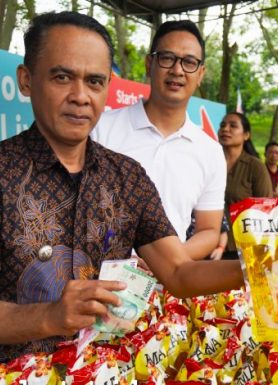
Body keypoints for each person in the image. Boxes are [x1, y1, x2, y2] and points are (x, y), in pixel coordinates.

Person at [0, 12, 278, 377]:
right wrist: (51, 316)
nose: (80, 96)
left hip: (103, 371)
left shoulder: (126, 177)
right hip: (6, 374)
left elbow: (179, 272)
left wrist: (265, 266)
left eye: (95, 81)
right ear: (26, 79)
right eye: (62, 77)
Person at [91, 20, 225, 261]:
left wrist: (166, 262)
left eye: (189, 62)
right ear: (149, 63)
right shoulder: (100, 129)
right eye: (167, 58)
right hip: (96, 281)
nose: (177, 70)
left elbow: (209, 230)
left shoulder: (211, 152)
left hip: (168, 290)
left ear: (201, 73)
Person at [218, 112, 272, 259]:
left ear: (246, 135)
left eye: (233, 126)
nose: (225, 129)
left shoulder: (255, 166)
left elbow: (266, 208)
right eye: (222, 125)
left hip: (242, 249)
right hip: (207, 245)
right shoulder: (209, 162)